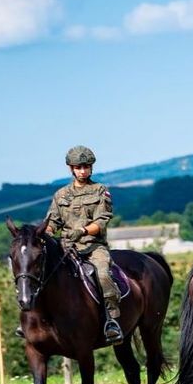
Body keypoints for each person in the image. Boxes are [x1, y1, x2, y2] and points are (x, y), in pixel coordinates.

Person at [45, 145, 123, 344]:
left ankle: (111, 320)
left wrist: (83, 230)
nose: (82, 171)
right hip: (66, 247)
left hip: (93, 247)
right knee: (40, 273)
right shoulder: (61, 195)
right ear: (71, 168)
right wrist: (47, 232)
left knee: (103, 275)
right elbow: (53, 221)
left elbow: (102, 220)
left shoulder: (100, 191)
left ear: (91, 168)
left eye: (86, 167)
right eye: (78, 167)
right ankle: (36, 320)